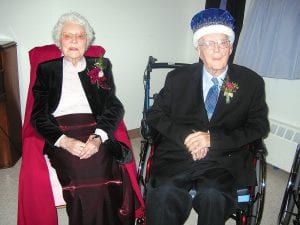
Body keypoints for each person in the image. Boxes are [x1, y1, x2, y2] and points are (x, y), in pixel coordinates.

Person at [145, 8, 269, 225]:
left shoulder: (251, 82)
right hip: (178, 153)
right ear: (198, 50)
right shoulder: (177, 78)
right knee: (164, 193)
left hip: (223, 160)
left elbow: (259, 126)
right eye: (209, 43)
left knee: (214, 195)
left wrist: (213, 139)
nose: (217, 49)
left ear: (231, 47)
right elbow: (155, 115)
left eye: (223, 42)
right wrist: (188, 137)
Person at [19, 12, 143, 225]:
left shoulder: (100, 65)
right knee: (79, 178)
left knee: (105, 174)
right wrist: (64, 141)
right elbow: (38, 115)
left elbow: (113, 106)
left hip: (95, 128)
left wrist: (98, 138)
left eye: (80, 36)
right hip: (61, 130)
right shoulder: (46, 70)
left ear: (87, 41)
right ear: (60, 41)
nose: (74, 40)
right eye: (68, 35)